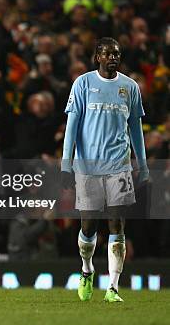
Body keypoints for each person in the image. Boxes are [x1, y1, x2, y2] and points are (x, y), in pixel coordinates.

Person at [61, 38, 148, 303]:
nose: (113, 57)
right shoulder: (83, 84)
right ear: (97, 56)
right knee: (89, 226)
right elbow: (72, 126)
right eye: (108, 53)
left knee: (117, 223)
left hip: (119, 166)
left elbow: (135, 129)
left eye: (117, 54)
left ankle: (113, 288)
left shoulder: (129, 87)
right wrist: (66, 163)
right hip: (88, 167)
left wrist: (142, 164)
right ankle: (87, 269)